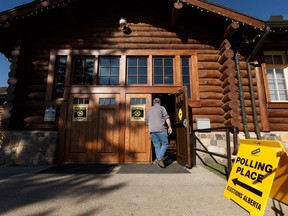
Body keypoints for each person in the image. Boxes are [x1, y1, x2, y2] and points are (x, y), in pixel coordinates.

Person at [145, 98, 172, 168]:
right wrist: (170, 127)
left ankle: (158, 161)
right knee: (165, 144)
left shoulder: (148, 109)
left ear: (153, 103)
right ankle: (159, 158)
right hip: (161, 129)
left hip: (152, 130)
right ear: (159, 102)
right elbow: (167, 118)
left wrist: (152, 126)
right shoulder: (162, 108)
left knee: (157, 146)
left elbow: (146, 121)